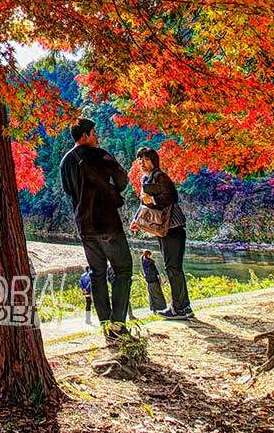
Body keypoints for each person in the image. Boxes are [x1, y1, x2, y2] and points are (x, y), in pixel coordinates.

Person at [60, 117, 133, 340]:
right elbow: (122, 180)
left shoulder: (66, 162)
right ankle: (118, 324)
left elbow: (69, 191)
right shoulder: (100, 154)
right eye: (94, 133)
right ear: (85, 136)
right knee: (122, 270)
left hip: (84, 225)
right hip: (108, 222)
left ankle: (105, 325)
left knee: (97, 274)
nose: (97, 136)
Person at [134, 147, 193, 319]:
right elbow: (146, 204)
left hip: (172, 227)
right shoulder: (146, 178)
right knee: (172, 267)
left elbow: (172, 196)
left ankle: (180, 308)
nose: (141, 163)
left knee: (173, 267)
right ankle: (181, 306)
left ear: (153, 160)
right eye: (139, 161)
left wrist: (151, 199)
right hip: (164, 228)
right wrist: (137, 219)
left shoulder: (160, 176)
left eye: (144, 159)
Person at [140, 249, 167, 314]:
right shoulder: (150, 263)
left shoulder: (144, 262)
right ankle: (162, 309)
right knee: (158, 295)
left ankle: (154, 309)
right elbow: (155, 273)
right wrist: (160, 280)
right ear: (148, 255)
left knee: (152, 296)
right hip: (154, 281)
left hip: (149, 281)